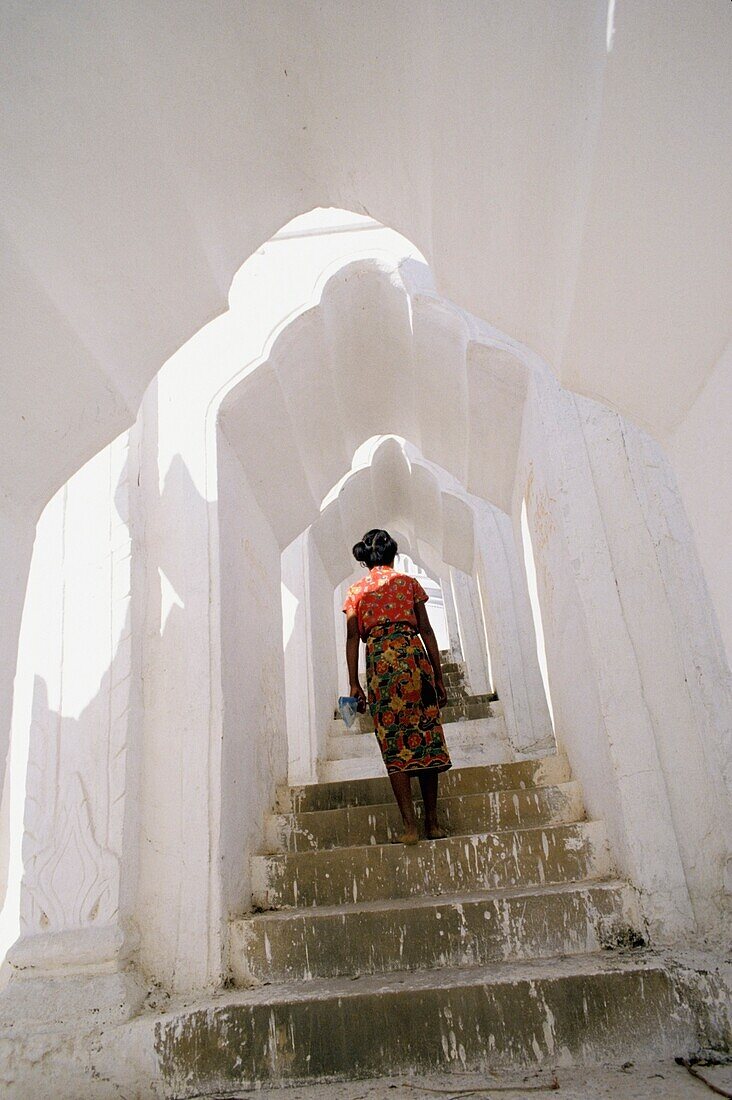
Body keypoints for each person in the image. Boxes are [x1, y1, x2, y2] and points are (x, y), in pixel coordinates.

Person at [342, 528, 452, 845]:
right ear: (394, 554)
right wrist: (438, 675)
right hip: (414, 662)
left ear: (366, 560)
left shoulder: (355, 592)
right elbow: (427, 631)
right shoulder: (409, 584)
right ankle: (432, 822)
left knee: (393, 743)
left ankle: (409, 826)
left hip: (380, 670)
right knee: (426, 736)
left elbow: (352, 638)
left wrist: (354, 684)